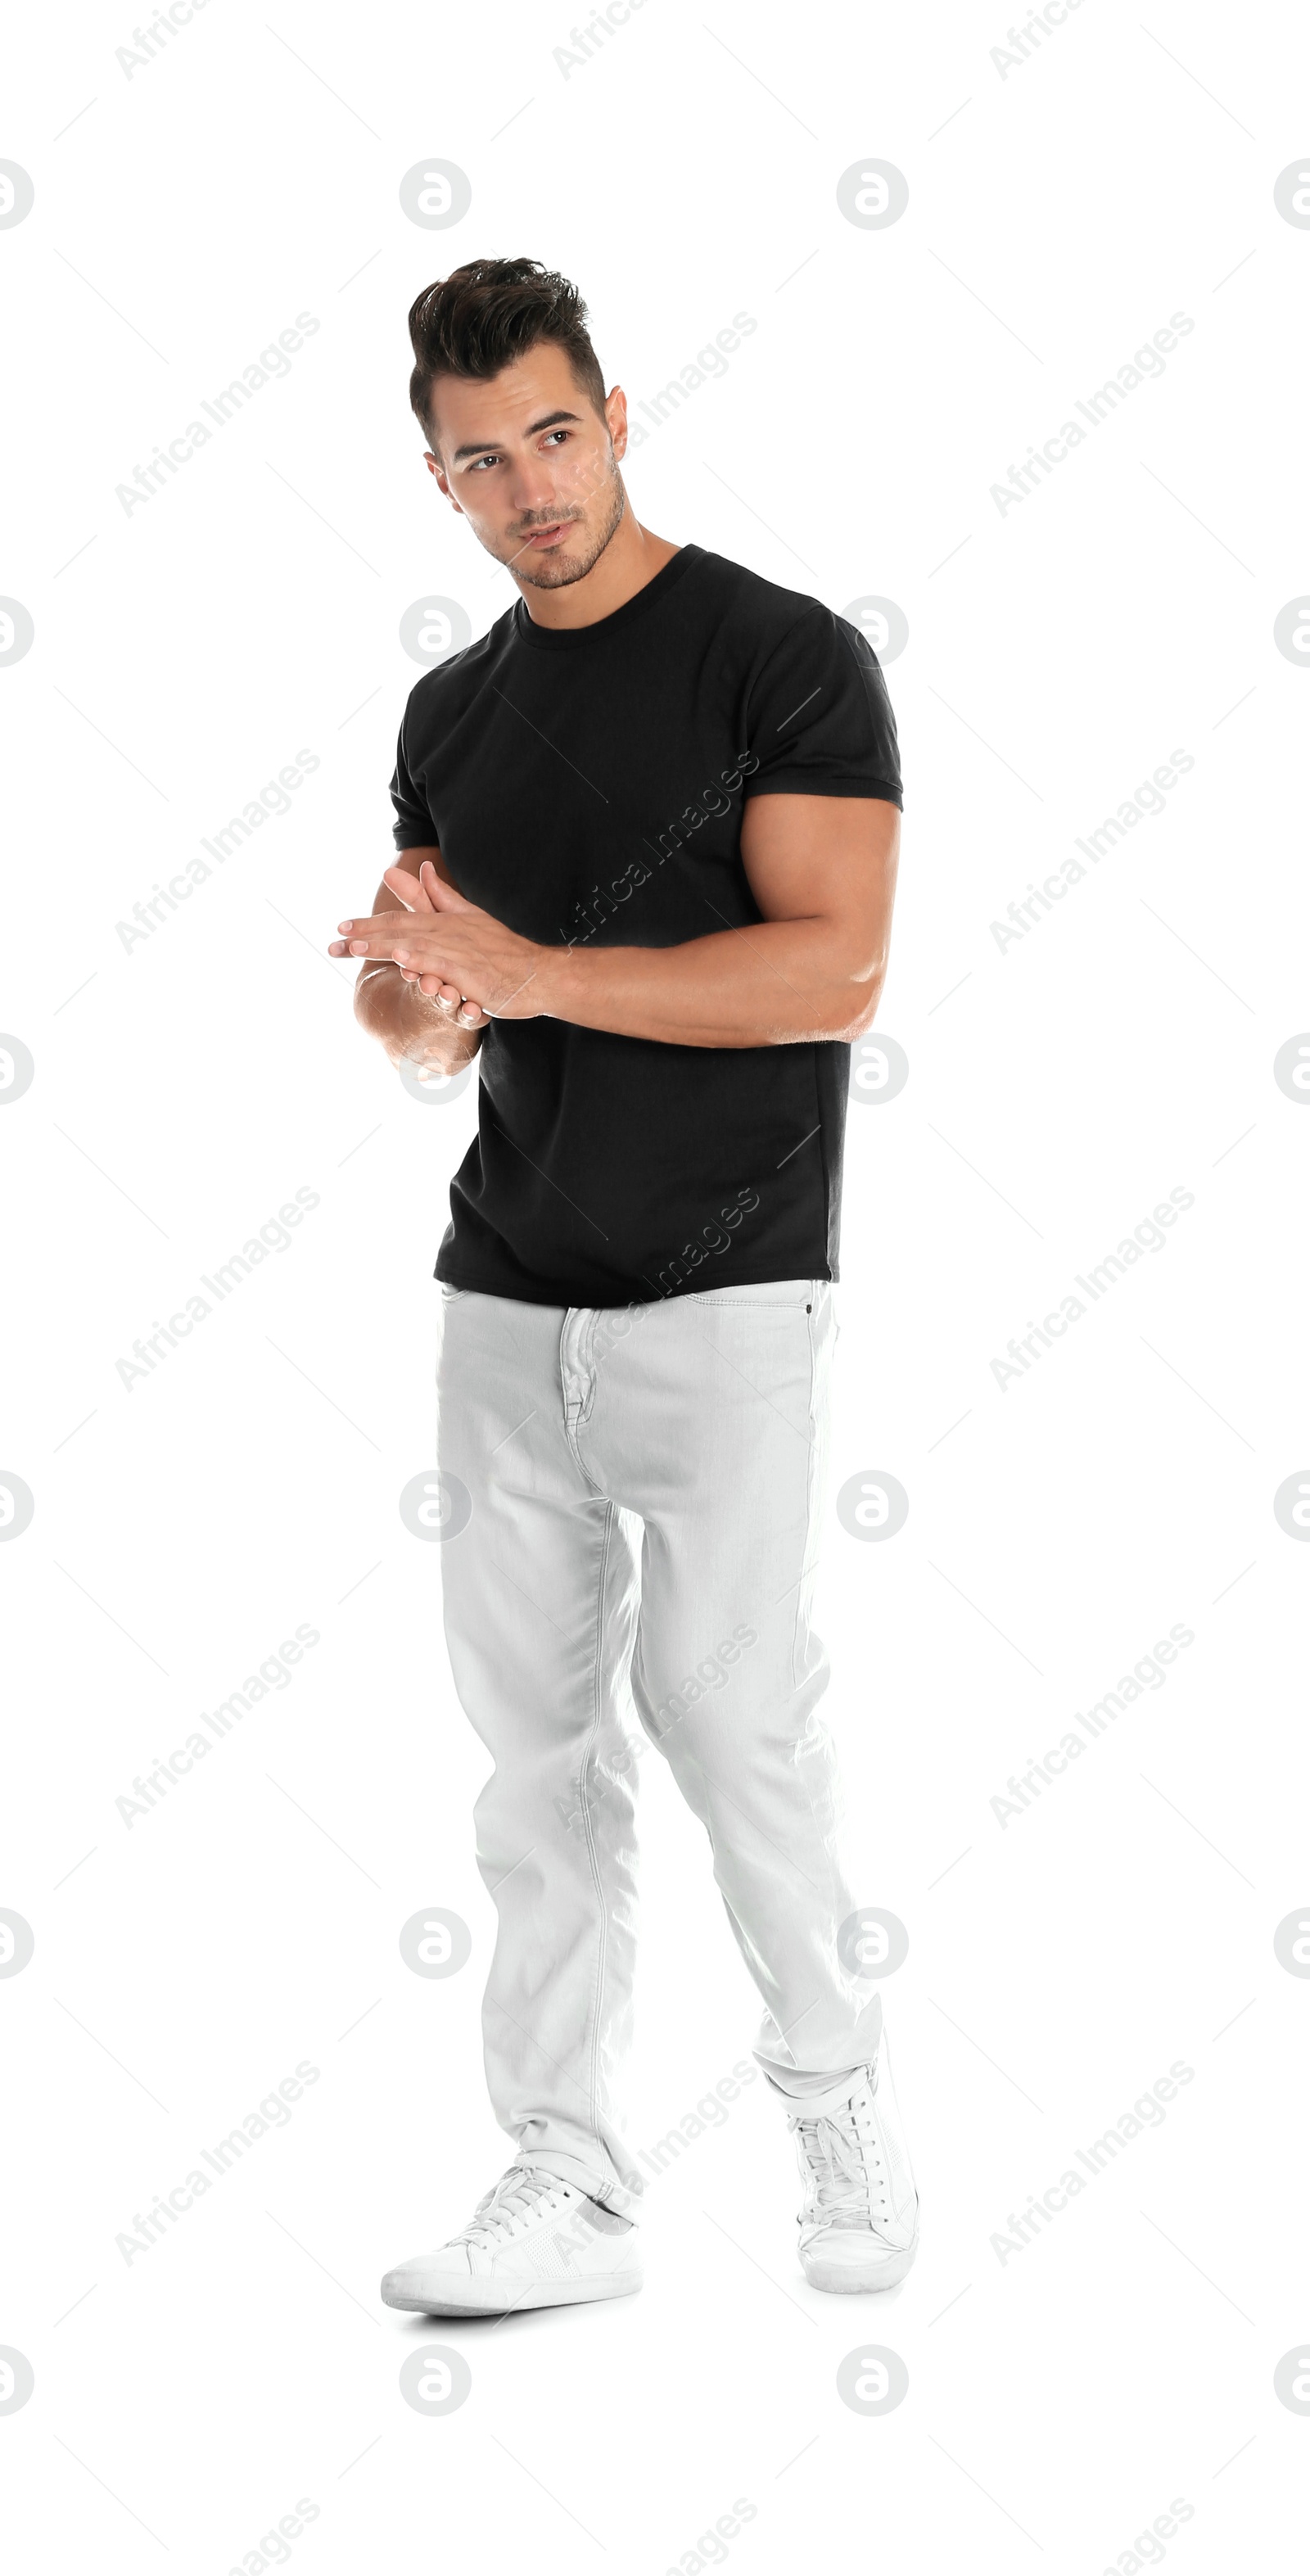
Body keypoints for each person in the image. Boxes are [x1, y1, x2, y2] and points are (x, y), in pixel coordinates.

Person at [328, 258, 918, 2316]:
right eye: (479, 461)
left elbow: (829, 969)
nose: (528, 489)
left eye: (553, 436)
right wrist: (413, 989)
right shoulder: (447, 711)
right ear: (440, 483)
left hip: (730, 1289)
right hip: (501, 1294)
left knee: (730, 1715)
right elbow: (436, 1033)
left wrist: (529, 970)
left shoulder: (781, 655)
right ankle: (562, 2176)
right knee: (534, 1760)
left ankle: (833, 2095)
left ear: (616, 415)